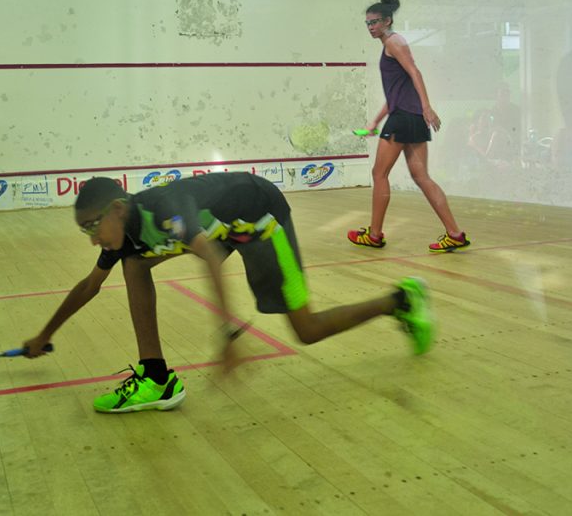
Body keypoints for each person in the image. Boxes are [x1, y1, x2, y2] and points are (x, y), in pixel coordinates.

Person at [22, 172, 435, 414]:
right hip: (221, 228)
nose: (92, 240)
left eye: (92, 228)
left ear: (116, 209)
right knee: (134, 263)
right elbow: (89, 286)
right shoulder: (125, 233)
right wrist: (45, 334)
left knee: (307, 330)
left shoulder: (161, 210)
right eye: (84, 232)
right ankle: (156, 378)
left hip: (261, 219)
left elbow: (208, 258)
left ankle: (401, 300)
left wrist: (228, 336)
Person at [347, 0, 471, 253]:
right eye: (367, 23)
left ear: (388, 20)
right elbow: (394, 95)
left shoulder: (394, 42)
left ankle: (375, 234)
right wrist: (375, 122)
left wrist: (427, 106)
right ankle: (455, 234)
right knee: (421, 176)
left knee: (379, 174)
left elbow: (415, 71)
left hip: (404, 117)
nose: (371, 27)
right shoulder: (391, 43)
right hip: (409, 117)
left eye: (375, 22)